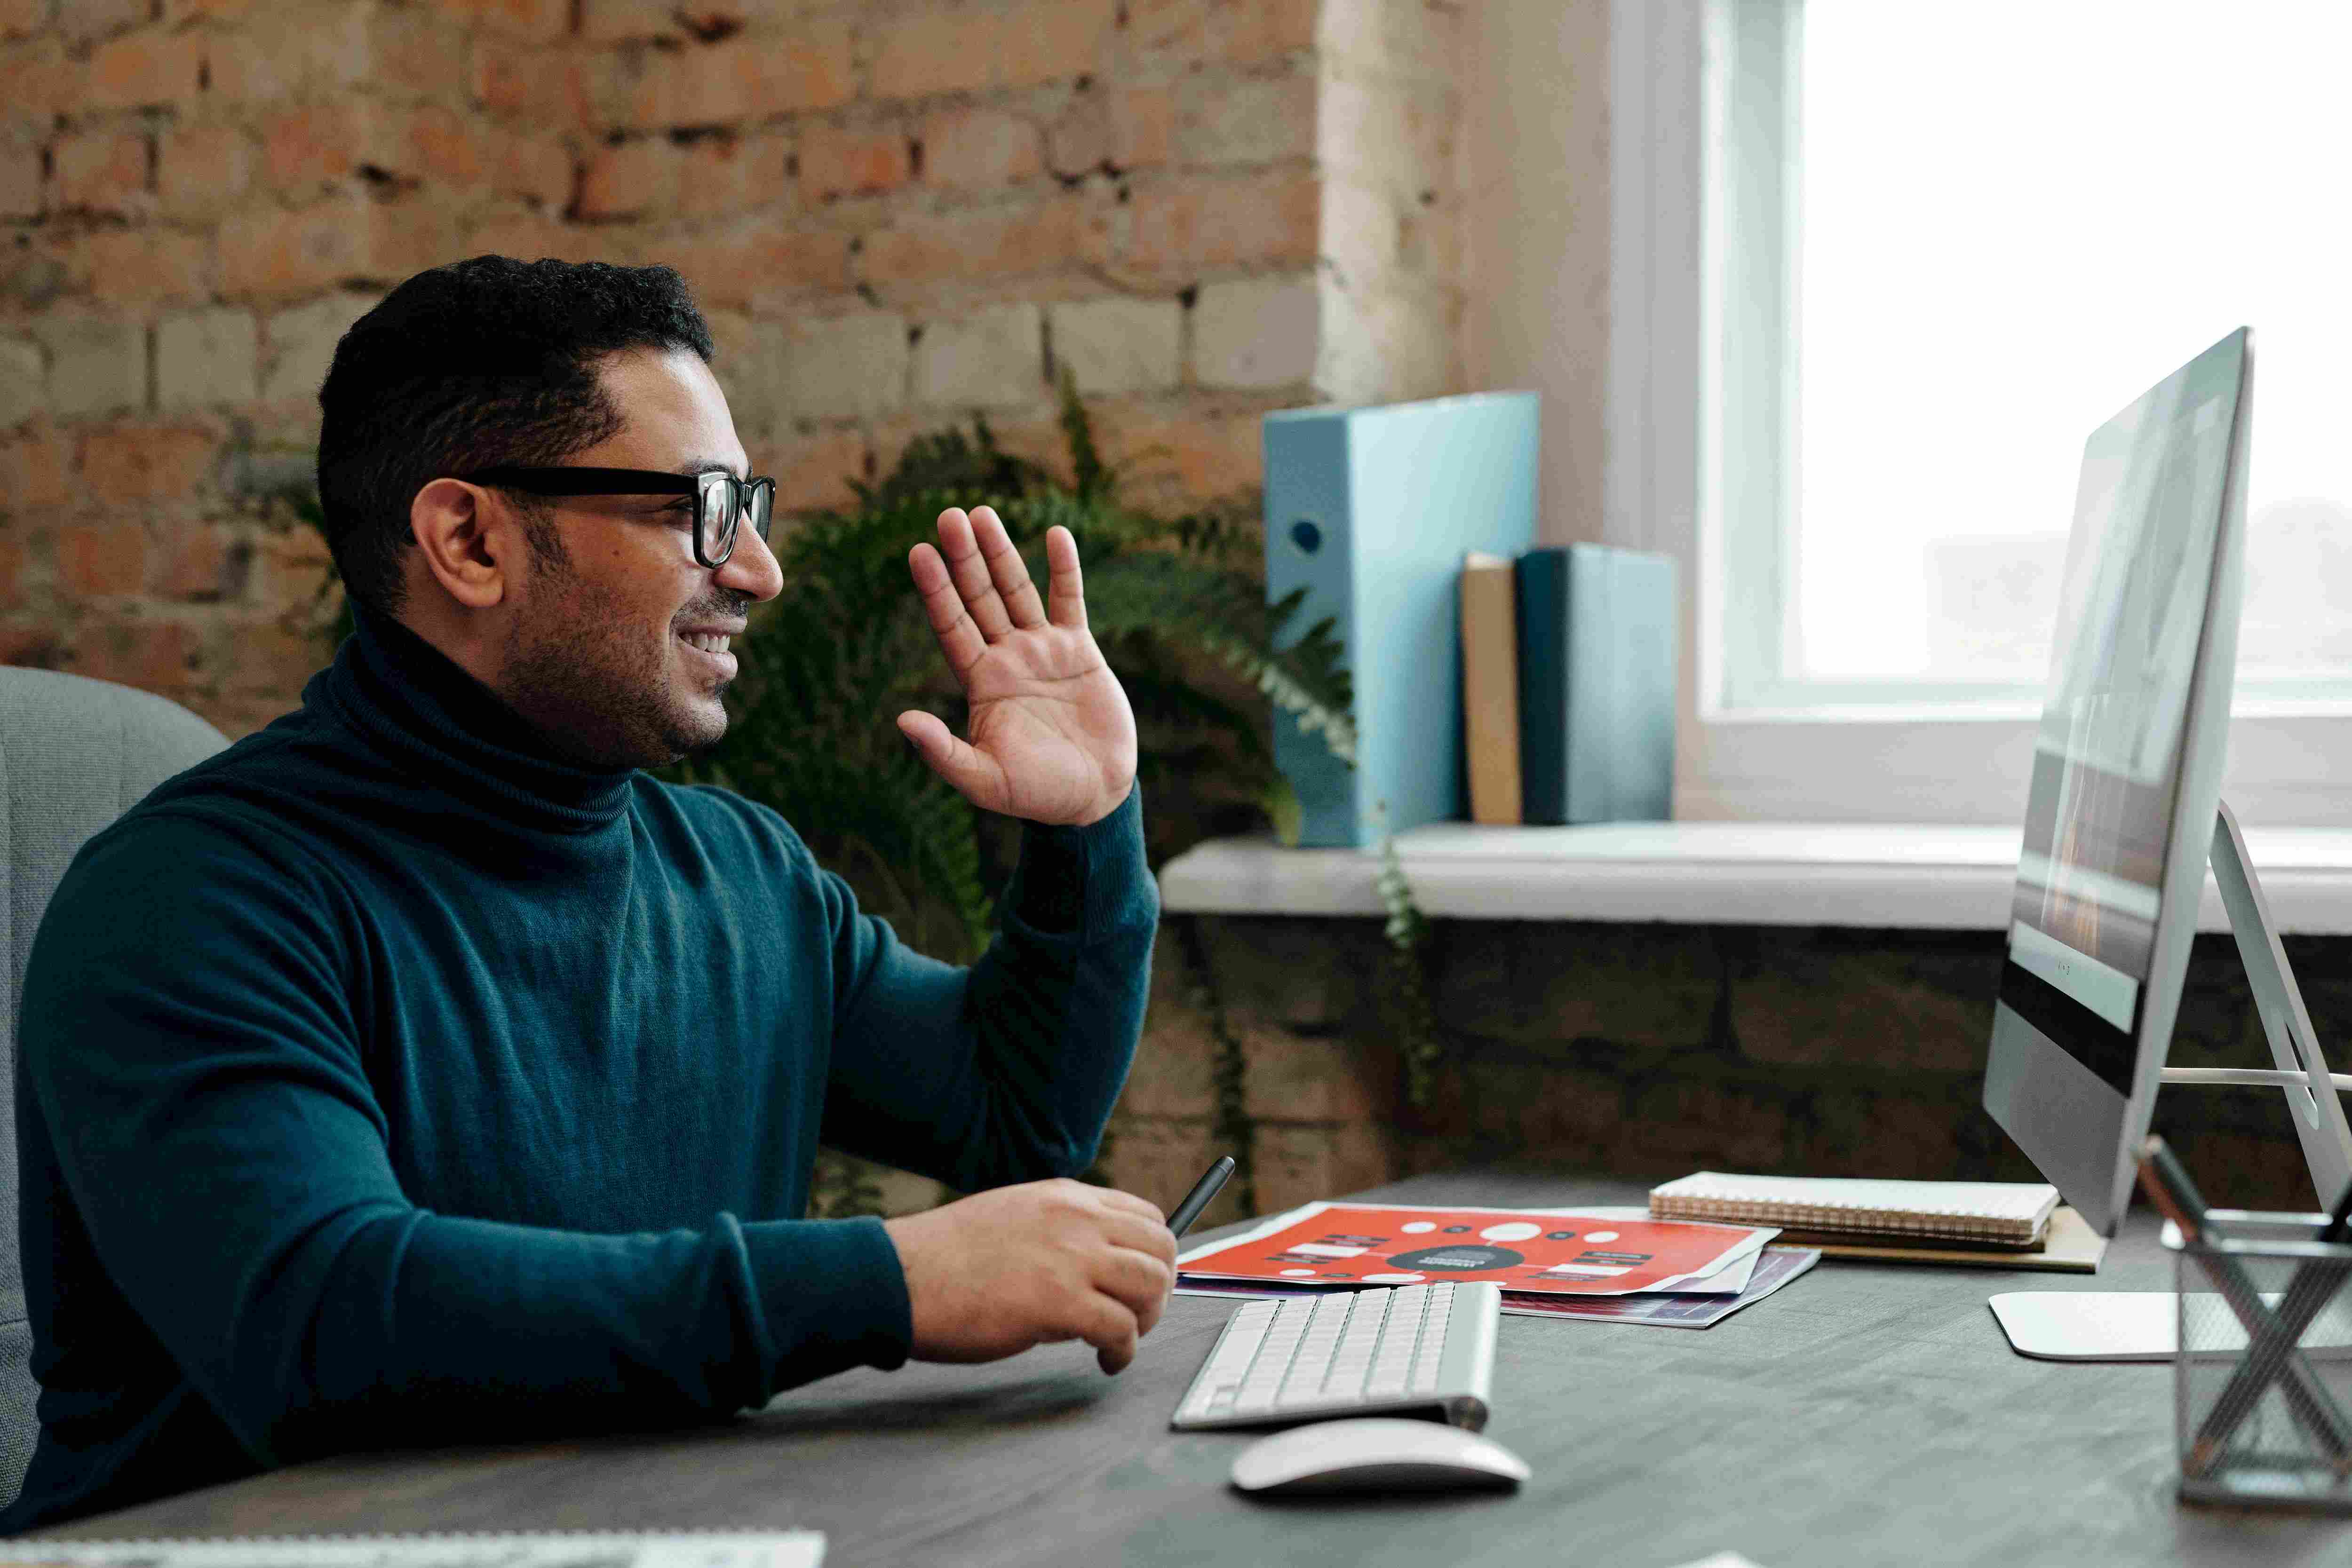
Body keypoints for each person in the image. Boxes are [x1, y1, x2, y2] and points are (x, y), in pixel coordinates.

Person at [1, 256, 1174, 1532]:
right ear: (470, 540)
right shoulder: (190, 903)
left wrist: (1086, 832)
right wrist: (885, 1283)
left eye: (751, 505)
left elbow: (1012, 1112)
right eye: (703, 510)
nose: (760, 570)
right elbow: (327, 1323)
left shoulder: (743, 875)